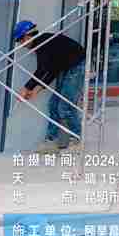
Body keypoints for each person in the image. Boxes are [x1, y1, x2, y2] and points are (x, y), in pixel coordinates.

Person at [13, 20, 86, 153]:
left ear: (27, 36)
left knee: (65, 106)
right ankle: (51, 141)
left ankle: (77, 140)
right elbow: (51, 70)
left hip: (77, 66)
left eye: (20, 40)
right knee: (53, 105)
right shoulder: (43, 44)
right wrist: (35, 91)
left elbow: (43, 70)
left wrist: (26, 88)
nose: (21, 45)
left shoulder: (43, 43)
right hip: (65, 68)